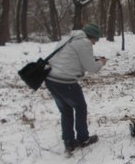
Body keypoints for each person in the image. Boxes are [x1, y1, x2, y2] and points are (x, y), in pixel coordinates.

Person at [45, 23, 107, 153]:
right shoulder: (85, 43)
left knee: (66, 111)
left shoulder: (67, 39)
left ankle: (69, 142)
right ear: (91, 36)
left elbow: (69, 59)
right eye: (95, 40)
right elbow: (92, 68)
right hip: (65, 82)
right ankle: (83, 139)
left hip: (51, 80)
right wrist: (101, 62)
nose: (94, 43)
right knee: (80, 108)